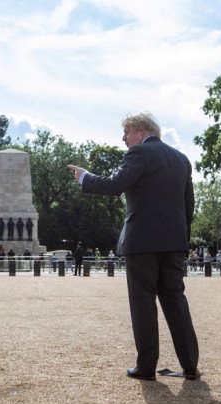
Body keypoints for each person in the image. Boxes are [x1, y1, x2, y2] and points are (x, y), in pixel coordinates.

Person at [67, 112, 199, 381]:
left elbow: (114, 185)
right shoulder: (181, 159)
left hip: (142, 242)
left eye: (126, 133)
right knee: (176, 300)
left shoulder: (139, 154)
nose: (123, 139)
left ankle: (147, 367)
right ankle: (190, 366)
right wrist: (181, 239)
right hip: (174, 241)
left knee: (143, 304)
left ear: (141, 130)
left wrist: (84, 177)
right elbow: (189, 205)